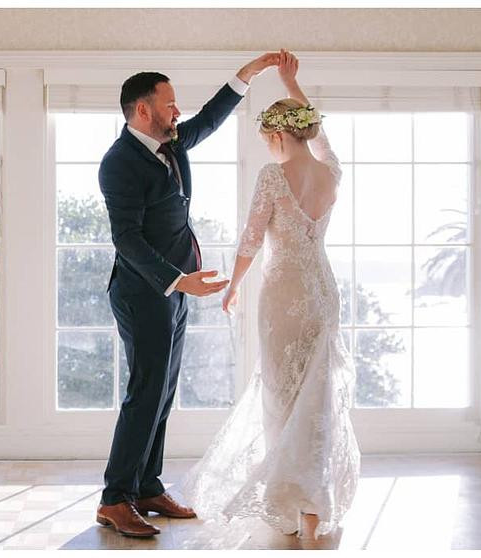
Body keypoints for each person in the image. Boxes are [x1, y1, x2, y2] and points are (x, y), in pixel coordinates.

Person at [94, 52, 282, 538]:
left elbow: (210, 119)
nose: (178, 111)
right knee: (145, 393)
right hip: (143, 292)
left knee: (163, 392)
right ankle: (115, 498)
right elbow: (127, 240)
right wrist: (178, 281)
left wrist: (247, 75)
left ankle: (147, 485)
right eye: (169, 103)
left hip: (175, 292)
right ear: (142, 111)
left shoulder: (172, 144)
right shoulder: (118, 163)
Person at [178, 50, 361, 542]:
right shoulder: (331, 173)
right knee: (317, 399)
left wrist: (234, 286)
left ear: (278, 135)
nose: (270, 148)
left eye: (268, 139)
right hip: (322, 291)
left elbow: (252, 240)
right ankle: (312, 509)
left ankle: (290, 499)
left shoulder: (272, 176)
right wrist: (292, 84)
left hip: (282, 294)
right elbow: (321, 136)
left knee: (281, 396)